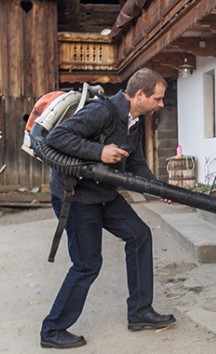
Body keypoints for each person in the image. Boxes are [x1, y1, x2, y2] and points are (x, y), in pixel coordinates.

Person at [40, 68, 175, 349]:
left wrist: (159, 189)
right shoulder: (102, 112)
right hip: (76, 196)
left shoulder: (135, 121)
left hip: (103, 193)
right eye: (158, 99)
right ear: (140, 95)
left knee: (139, 235)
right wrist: (99, 152)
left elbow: (136, 164)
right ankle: (52, 329)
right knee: (87, 264)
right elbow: (57, 139)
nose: (161, 104)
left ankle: (140, 312)